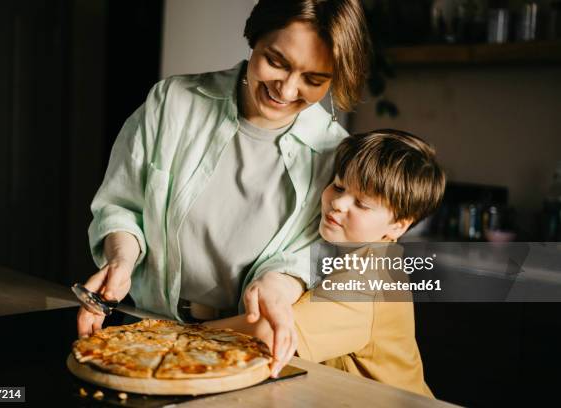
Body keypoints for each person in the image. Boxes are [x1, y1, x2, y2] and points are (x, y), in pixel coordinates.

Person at [77, 0, 371, 378]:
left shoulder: (335, 152)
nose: (287, 88)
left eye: (314, 80)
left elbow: (314, 250)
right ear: (255, 38)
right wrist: (120, 260)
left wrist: (281, 282)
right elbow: (122, 205)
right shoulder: (172, 103)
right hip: (147, 324)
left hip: (244, 343)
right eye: (276, 61)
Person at [207, 130, 445, 397]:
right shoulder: (355, 253)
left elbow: (266, 333)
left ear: (398, 225)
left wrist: (175, 333)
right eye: (339, 186)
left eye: (362, 204)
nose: (338, 203)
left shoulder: (367, 281)